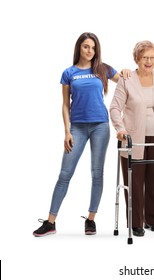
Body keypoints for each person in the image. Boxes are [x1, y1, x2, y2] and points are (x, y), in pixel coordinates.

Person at [33, 32, 129, 237]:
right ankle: (51, 222)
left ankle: (91, 220)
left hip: (100, 126)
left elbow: (125, 83)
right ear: (79, 48)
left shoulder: (103, 69)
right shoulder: (69, 73)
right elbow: (65, 105)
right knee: (64, 174)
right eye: (86, 47)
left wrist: (126, 71)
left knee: (97, 173)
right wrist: (66, 131)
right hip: (77, 127)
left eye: (93, 48)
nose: (90, 51)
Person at [110, 40, 154, 237]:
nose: (148, 61)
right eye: (144, 58)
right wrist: (120, 129)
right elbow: (115, 108)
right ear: (137, 59)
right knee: (134, 182)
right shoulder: (127, 79)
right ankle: (136, 223)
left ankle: (152, 220)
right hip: (133, 138)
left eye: (152, 57)